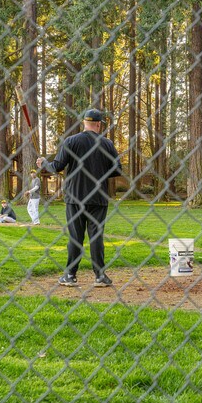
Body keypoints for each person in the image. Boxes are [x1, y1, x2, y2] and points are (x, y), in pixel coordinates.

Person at [37, 108, 122, 287]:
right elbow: (117, 169)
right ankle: (100, 276)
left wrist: (44, 163)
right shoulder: (106, 144)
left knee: (76, 236)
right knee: (96, 236)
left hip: (75, 197)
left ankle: (70, 275)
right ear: (98, 124)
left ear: (84, 122)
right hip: (98, 197)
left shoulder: (71, 141)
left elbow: (58, 166)